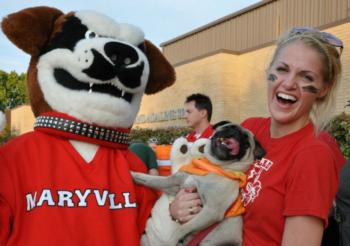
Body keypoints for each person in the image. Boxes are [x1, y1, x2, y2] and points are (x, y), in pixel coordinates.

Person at [170, 27, 346, 245]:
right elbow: (204, 179)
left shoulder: (313, 155)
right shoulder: (249, 130)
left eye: (306, 76)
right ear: (268, 72)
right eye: (282, 69)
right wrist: (177, 205)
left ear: (323, 89)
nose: (289, 83)